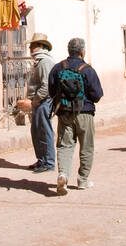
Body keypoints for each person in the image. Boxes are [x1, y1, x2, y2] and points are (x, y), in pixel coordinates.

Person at [48, 37, 104, 194]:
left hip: (64, 113)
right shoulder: (87, 70)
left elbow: (52, 91)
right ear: (82, 51)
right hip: (85, 113)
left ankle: (63, 175)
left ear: (69, 50)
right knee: (86, 146)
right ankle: (83, 180)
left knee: (65, 146)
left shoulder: (58, 68)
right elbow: (97, 95)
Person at [25, 32, 56, 172]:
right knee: (37, 131)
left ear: (40, 46)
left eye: (33, 45)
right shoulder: (39, 61)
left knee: (44, 131)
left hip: (43, 102)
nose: (31, 48)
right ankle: (41, 159)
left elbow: (46, 85)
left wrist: (37, 99)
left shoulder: (44, 62)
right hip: (39, 101)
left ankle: (48, 162)